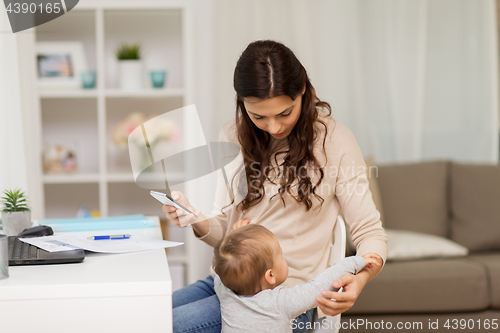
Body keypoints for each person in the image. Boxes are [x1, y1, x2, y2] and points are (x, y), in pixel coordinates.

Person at [163, 40, 388, 333]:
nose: (274, 127)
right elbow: (226, 236)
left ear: (303, 91)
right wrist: (195, 218)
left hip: (285, 299)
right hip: (228, 284)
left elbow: (370, 232)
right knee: (142, 313)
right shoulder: (233, 135)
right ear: (242, 103)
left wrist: (360, 279)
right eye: (259, 117)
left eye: (284, 113)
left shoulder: (335, 141)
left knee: (167, 325)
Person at [213, 224, 380, 332]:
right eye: (281, 256)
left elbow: (221, 268)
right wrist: (357, 262)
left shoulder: (225, 292)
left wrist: (233, 238)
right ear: (270, 275)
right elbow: (319, 286)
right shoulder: (282, 302)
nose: (284, 259)